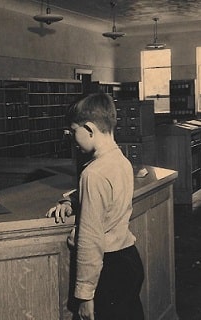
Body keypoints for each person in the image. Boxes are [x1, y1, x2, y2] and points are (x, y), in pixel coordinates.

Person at [46, 92, 144, 320]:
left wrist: (85, 295)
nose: (72, 137)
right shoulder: (121, 161)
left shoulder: (93, 173)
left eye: (73, 131)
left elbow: (90, 239)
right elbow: (106, 200)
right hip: (128, 260)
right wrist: (71, 200)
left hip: (107, 271)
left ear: (89, 129)